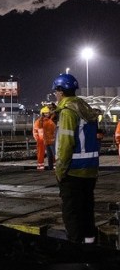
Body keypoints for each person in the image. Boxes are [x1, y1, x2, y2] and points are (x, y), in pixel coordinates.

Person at [52, 73, 101, 244]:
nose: (55, 96)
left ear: (61, 91)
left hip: (73, 171)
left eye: (55, 92)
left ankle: (75, 251)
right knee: (87, 211)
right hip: (90, 170)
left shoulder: (68, 112)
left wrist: (60, 170)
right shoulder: (85, 108)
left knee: (72, 214)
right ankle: (90, 246)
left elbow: (66, 144)